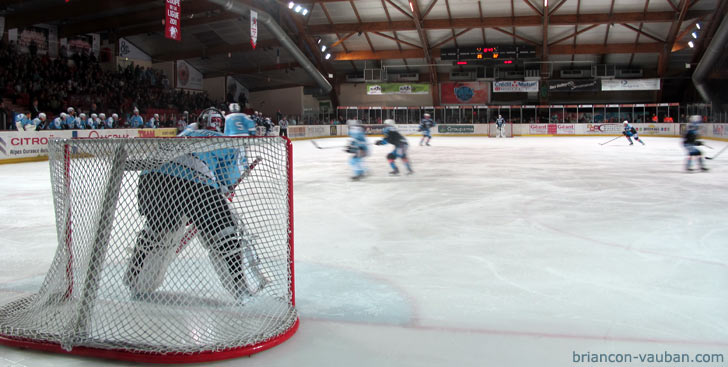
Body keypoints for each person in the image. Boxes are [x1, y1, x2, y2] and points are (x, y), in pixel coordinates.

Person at [125, 107, 267, 300]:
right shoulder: (225, 141)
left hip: (151, 181)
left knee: (158, 232)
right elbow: (227, 179)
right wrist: (225, 187)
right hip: (194, 182)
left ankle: (136, 280)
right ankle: (240, 288)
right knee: (225, 234)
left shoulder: (183, 133)